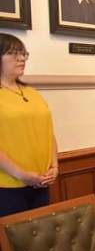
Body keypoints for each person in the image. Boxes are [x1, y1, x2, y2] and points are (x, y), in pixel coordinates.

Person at [0, 34, 58, 217]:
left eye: (23, 53)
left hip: (41, 183)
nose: (21, 58)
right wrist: (21, 174)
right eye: (13, 53)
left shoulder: (33, 93)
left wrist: (54, 166)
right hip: (7, 187)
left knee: (41, 233)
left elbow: (48, 133)